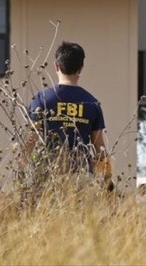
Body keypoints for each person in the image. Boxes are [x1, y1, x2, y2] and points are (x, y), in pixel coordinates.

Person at [26, 42, 110, 183]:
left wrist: (20, 172)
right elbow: (99, 148)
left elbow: (30, 140)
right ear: (81, 69)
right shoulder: (92, 103)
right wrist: (107, 180)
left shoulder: (41, 99)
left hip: (48, 173)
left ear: (56, 66)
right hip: (81, 174)